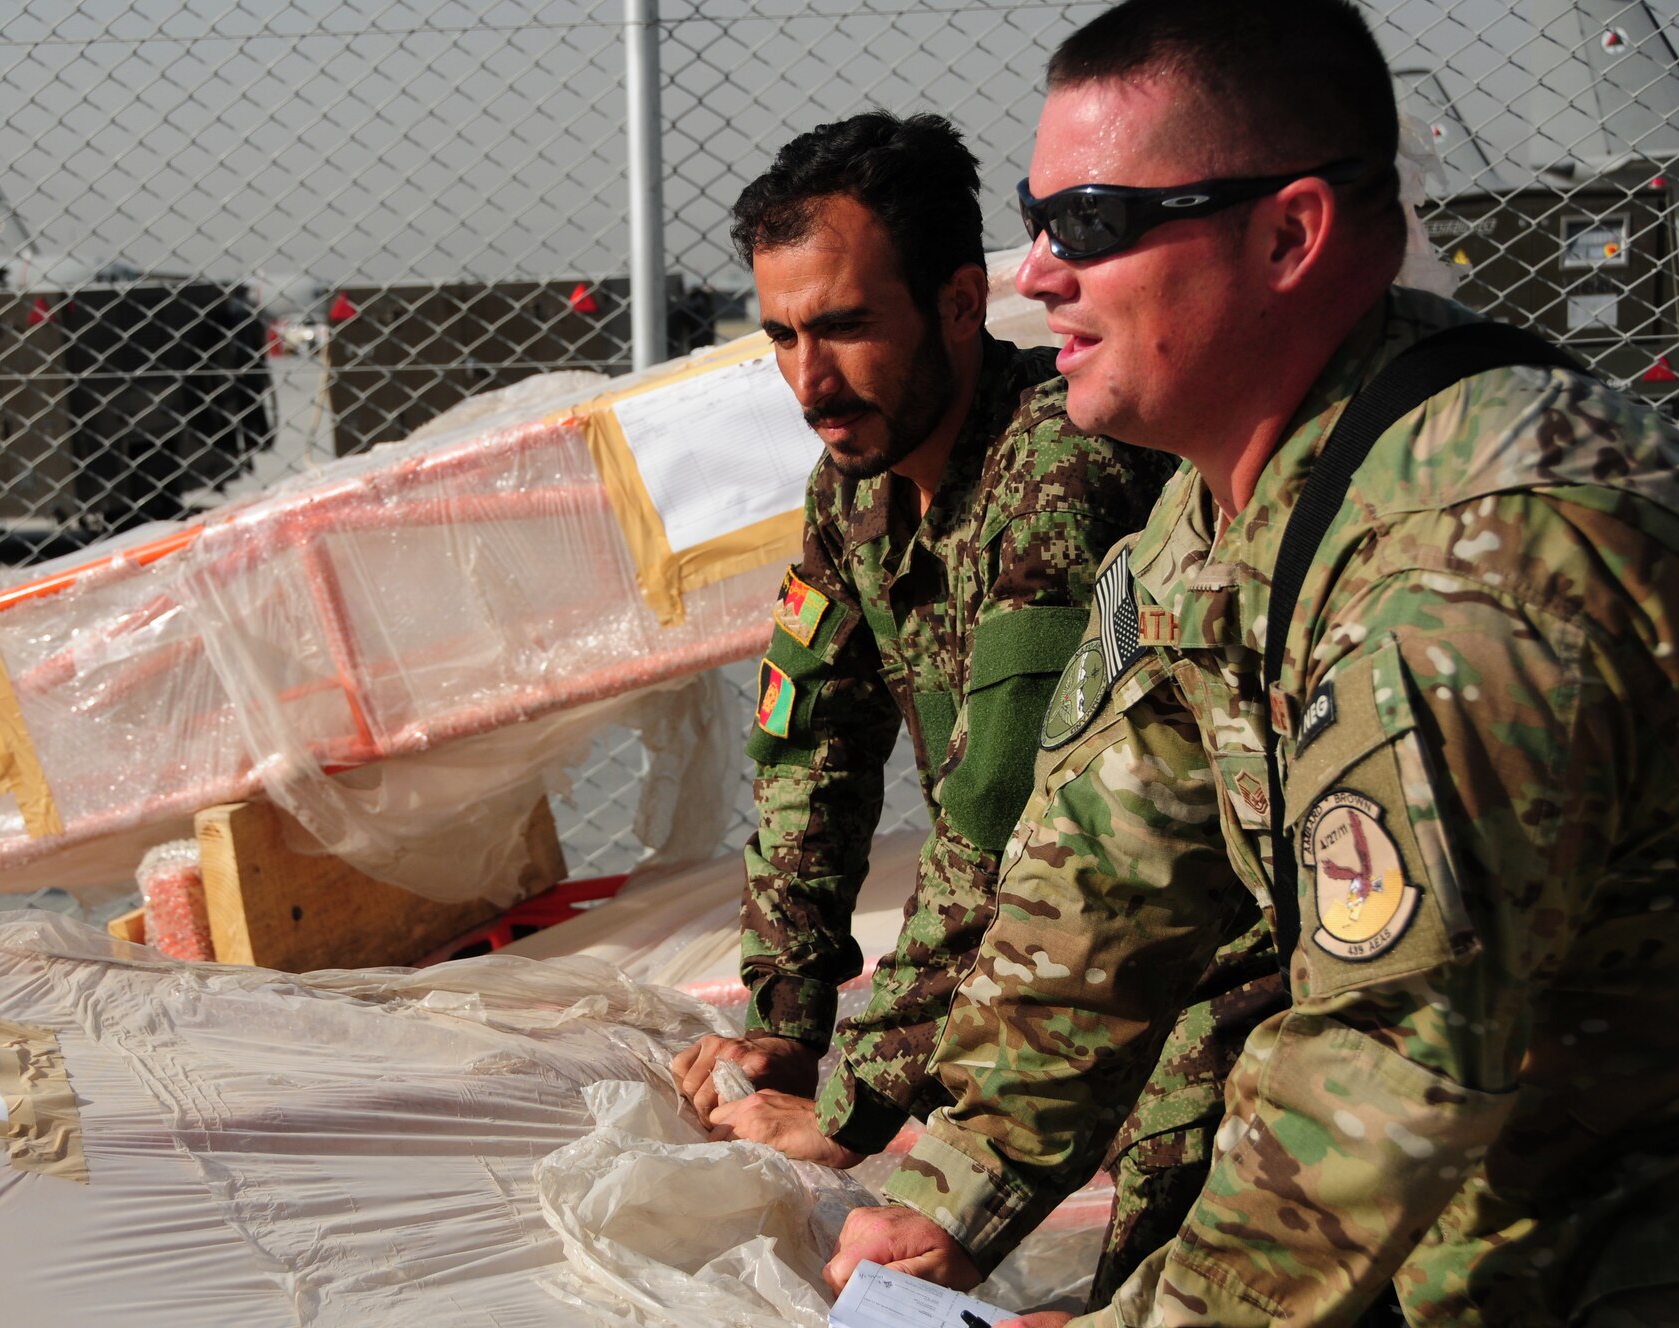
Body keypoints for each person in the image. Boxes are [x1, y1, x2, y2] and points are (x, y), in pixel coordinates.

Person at [825, 2, 1679, 1325]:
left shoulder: (1486, 554)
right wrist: (955, 1192)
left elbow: (1383, 1058)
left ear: (1289, 234)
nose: (1037, 271)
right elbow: (1103, 876)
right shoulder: (1228, 507)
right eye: (1031, 212)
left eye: (1092, 222)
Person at [668, 111, 1281, 1306]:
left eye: (845, 326)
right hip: (1061, 949)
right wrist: (782, 1018)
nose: (809, 380)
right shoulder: (853, 486)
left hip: (1189, 951)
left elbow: (999, 822)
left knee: (1169, 1259)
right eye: (782, 334)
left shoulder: (1057, 473)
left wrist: (851, 1101)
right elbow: (808, 747)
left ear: (957, 302)